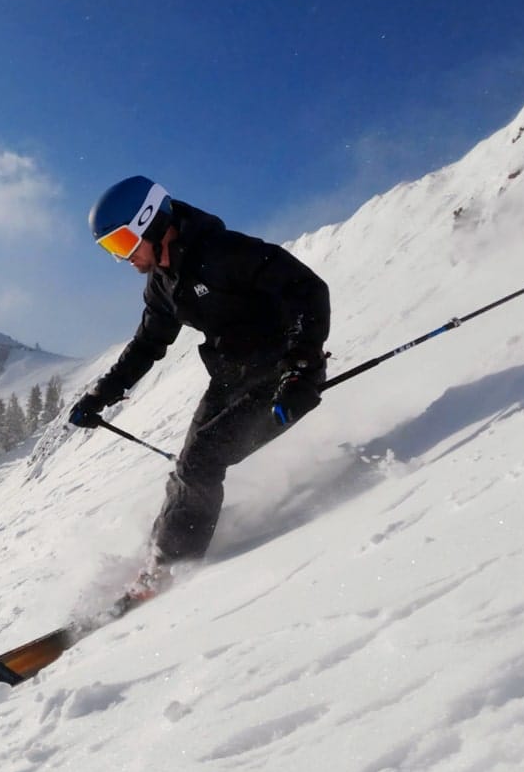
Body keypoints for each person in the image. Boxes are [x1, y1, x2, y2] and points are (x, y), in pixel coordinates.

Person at [68, 175, 330, 597]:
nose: (122, 259)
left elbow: (307, 289)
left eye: (121, 243)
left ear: (150, 222)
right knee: (189, 466)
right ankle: (163, 552)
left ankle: (168, 570)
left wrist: (301, 368)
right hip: (230, 380)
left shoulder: (224, 253)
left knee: (201, 462)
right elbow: (148, 343)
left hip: (284, 378)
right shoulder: (162, 283)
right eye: (111, 250)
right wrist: (102, 393)